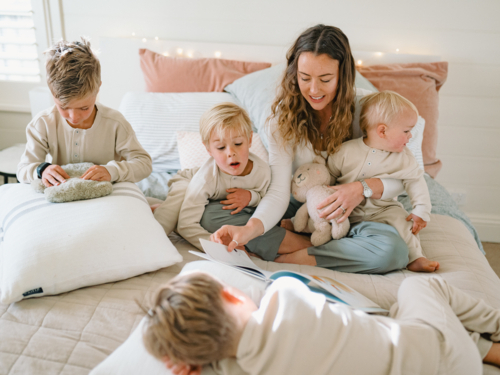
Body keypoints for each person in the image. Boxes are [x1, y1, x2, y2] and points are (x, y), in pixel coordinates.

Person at [211, 24, 410, 274]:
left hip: (356, 212)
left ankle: (301, 255)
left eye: (325, 79)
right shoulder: (280, 120)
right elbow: (278, 191)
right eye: (305, 78)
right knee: (213, 214)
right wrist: (248, 230)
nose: (313, 90)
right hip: (300, 209)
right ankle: (320, 246)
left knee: (394, 251)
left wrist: (360, 189)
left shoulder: (368, 110)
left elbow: (404, 178)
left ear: (343, 75)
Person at [143, 271, 500, 375]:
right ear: (235, 296)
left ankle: (485, 348)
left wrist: (196, 365)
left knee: (390, 321)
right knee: (418, 287)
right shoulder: (284, 294)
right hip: (444, 355)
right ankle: (492, 330)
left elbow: (222, 361)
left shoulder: (243, 369)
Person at [155, 102, 310, 260]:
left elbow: (265, 200)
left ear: (249, 140)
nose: (231, 153)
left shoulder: (262, 171)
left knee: (264, 214)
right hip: (188, 180)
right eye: (221, 148)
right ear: (208, 149)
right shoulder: (205, 179)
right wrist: (213, 243)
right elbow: (186, 224)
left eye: (238, 144)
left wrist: (250, 196)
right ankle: (151, 234)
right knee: (173, 212)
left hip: (219, 205)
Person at [323, 91, 439, 272]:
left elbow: (416, 182)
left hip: (384, 209)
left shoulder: (404, 158)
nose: (410, 137)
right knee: (326, 216)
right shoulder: (346, 151)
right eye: (407, 131)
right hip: (347, 208)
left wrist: (421, 210)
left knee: (403, 222)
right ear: (382, 130)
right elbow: (330, 174)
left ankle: (416, 257)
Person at [17, 38, 152, 186]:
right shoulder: (42, 123)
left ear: (98, 88)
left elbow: (144, 164)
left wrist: (111, 171)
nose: (74, 117)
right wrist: (41, 170)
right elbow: (23, 170)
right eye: (64, 107)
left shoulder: (115, 123)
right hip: (63, 196)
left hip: (107, 196)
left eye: (84, 108)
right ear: (52, 92)